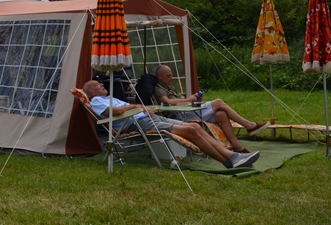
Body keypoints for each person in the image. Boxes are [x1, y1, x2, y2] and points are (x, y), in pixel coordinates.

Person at [79, 80, 259, 168]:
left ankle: (233, 157)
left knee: (195, 127)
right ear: (91, 92)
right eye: (96, 84)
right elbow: (115, 112)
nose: (101, 84)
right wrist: (137, 107)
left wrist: (143, 108)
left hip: (146, 119)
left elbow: (125, 108)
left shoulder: (109, 97)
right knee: (190, 130)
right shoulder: (96, 101)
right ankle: (229, 160)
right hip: (136, 125)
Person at [153, 65, 269, 153]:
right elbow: (167, 102)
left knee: (222, 114)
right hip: (180, 116)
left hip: (187, 111)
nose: (171, 78)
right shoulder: (158, 89)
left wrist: (194, 100)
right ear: (160, 76)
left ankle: (238, 147)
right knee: (218, 102)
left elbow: (181, 101)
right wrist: (188, 99)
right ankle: (249, 125)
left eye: (171, 75)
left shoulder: (170, 88)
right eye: (168, 76)